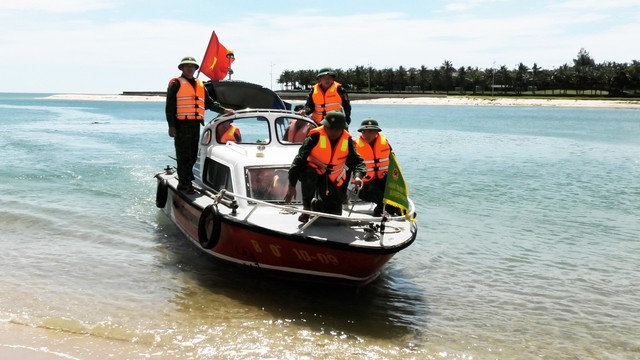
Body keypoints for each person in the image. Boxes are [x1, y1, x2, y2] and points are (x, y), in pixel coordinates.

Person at [166, 56, 234, 194]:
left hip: (195, 124)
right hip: (181, 125)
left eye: (192, 66)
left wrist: (224, 110)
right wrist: (171, 126)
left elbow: (209, 103)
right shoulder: (176, 83)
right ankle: (184, 183)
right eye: (187, 66)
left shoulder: (200, 84)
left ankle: (185, 181)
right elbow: (170, 107)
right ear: (182, 68)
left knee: (192, 155)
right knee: (183, 154)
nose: (190, 68)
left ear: (196, 69)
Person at [285, 111, 366, 223]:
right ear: (325, 126)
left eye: (337, 129)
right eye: (330, 128)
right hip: (313, 173)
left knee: (335, 213)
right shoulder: (314, 137)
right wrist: (291, 185)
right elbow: (298, 160)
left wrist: (358, 176)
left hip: (331, 177)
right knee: (309, 173)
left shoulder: (347, 141)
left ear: (342, 129)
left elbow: (358, 162)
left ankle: (315, 205)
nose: (333, 131)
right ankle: (307, 208)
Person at [353, 118, 401, 216]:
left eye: (370, 131)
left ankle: (389, 210)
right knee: (381, 198)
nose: (367, 135)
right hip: (363, 184)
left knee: (393, 193)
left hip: (381, 179)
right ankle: (393, 210)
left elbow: (393, 162)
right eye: (364, 132)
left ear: (376, 132)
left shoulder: (385, 143)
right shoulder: (355, 146)